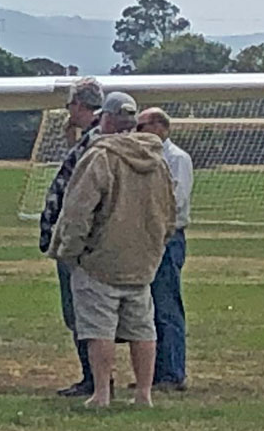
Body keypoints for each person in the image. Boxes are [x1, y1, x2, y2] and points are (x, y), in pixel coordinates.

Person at [49, 92, 175, 408]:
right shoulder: (157, 160)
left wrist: (70, 250)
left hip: (100, 261)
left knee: (98, 329)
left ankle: (102, 393)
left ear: (105, 119)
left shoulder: (100, 156)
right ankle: (144, 393)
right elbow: (169, 210)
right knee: (142, 328)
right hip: (142, 261)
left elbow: (78, 210)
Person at [38, 77, 105, 397]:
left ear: (79, 105)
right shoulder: (93, 140)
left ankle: (94, 378)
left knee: (81, 311)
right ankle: (94, 376)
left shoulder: (94, 141)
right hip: (83, 241)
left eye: (70, 105)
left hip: (79, 243)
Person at [137, 107, 194, 391]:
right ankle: (153, 373)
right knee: (148, 307)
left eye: (142, 126)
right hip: (148, 238)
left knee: (167, 304)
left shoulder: (177, 159)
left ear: (160, 127)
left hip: (168, 239)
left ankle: (173, 373)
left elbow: (176, 201)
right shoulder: (148, 159)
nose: (138, 132)